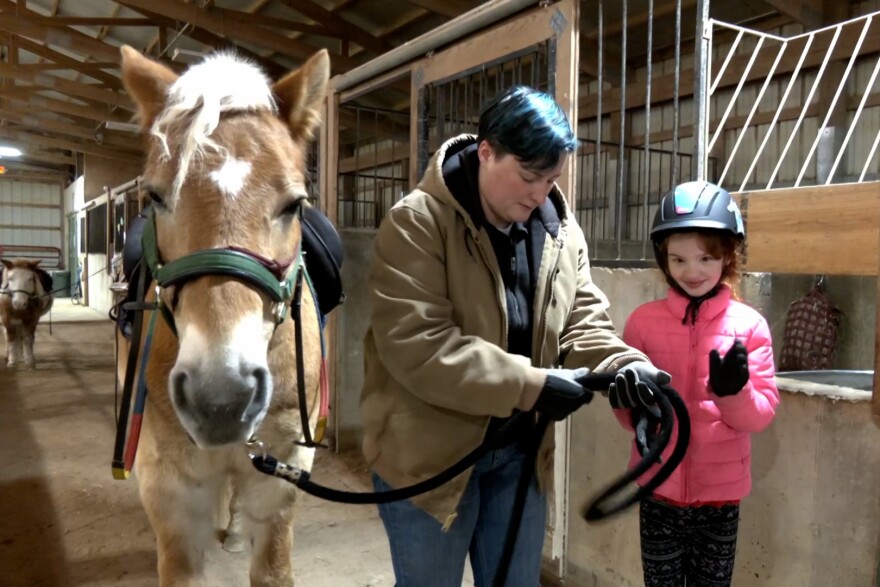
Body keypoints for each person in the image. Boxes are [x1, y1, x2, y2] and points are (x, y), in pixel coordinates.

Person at [359, 85, 669, 587]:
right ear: (486, 152)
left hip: (521, 455)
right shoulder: (417, 223)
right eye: (528, 176)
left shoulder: (560, 234)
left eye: (551, 179)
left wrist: (623, 366)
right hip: (429, 457)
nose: (539, 193)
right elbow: (419, 344)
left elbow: (583, 318)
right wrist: (532, 384)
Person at [614, 181, 780, 587]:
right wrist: (625, 402)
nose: (692, 271)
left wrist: (733, 394)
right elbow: (629, 418)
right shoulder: (642, 322)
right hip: (657, 490)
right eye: (679, 259)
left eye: (706, 257)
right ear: (663, 258)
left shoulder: (749, 326)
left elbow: (761, 416)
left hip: (720, 499)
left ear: (729, 255)